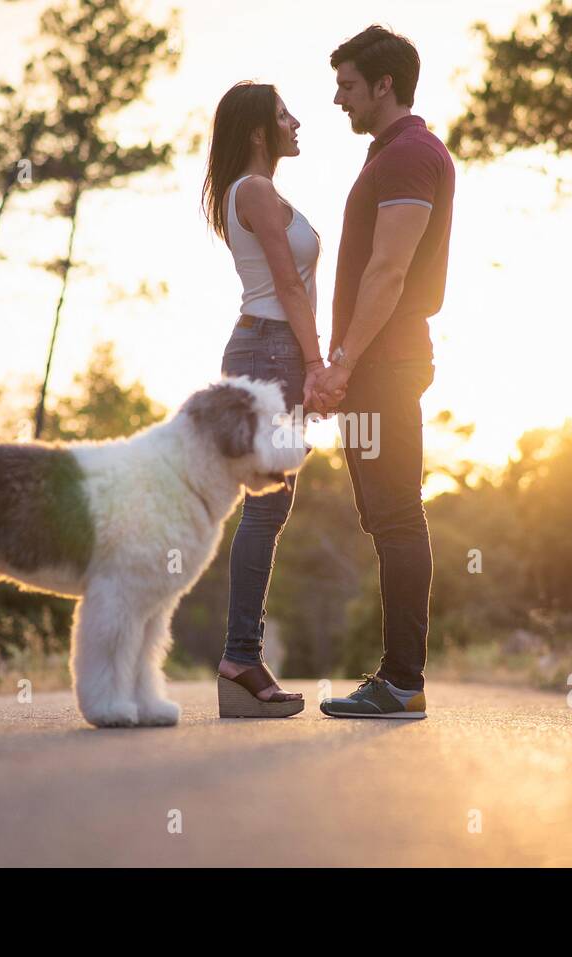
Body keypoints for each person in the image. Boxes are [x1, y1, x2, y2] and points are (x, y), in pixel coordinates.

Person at [315, 25, 456, 719]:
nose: (338, 98)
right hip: (377, 366)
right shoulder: (391, 155)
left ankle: (402, 682)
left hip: (386, 364)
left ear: (384, 85)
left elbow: (391, 269)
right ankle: (399, 677)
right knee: (385, 515)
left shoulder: (409, 156)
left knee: (397, 515)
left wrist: (343, 362)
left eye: (346, 85)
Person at [201, 81, 322, 717]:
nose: (296, 122)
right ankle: (241, 657)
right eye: (283, 115)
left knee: (269, 506)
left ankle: (242, 656)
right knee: (266, 507)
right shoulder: (255, 191)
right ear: (258, 132)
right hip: (271, 348)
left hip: (266, 347)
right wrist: (319, 364)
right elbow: (290, 290)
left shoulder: (255, 191)